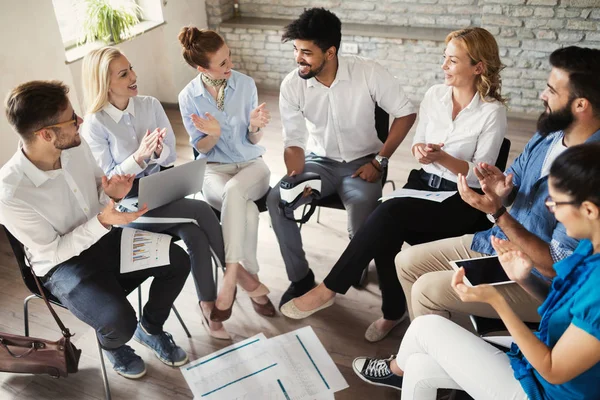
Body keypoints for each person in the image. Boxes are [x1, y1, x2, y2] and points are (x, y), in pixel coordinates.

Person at [280, 27, 508, 342]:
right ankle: (393, 312)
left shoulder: (492, 113)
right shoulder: (434, 95)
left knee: (387, 215)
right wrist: (422, 151)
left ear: (478, 67)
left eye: (452, 61)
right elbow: (418, 144)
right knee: (385, 226)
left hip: (462, 199)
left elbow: (477, 176)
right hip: (423, 185)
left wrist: (441, 157)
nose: (443, 66)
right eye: (445, 58)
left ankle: (330, 288)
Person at [352, 142, 600, 400]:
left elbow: (552, 371)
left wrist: (497, 302)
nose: (550, 208)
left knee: (424, 329)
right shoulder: (588, 249)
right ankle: (401, 370)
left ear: (589, 210)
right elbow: (562, 302)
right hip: (542, 356)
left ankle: (397, 369)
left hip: (546, 390)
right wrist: (523, 278)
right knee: (419, 365)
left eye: (556, 202)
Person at [396, 45, 600, 331]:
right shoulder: (549, 134)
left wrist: (499, 213)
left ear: (581, 105)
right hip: (501, 243)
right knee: (406, 262)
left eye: (552, 91)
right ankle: (429, 349)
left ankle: (431, 358)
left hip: (541, 282)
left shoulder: (592, 169)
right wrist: (503, 189)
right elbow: (513, 178)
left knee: (427, 289)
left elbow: (556, 267)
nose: (543, 96)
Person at [0, 80, 190, 379]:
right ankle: (114, 348)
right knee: (118, 323)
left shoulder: (75, 145)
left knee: (178, 261)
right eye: (71, 119)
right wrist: (103, 221)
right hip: (62, 266)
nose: (81, 122)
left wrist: (113, 195)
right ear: (46, 134)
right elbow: (53, 251)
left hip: (104, 237)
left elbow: (100, 195)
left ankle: (151, 328)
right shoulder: (10, 193)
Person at [267, 8, 417, 308]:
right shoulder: (292, 84)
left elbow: (406, 112)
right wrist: (295, 175)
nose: (298, 58)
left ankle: (355, 264)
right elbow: (294, 139)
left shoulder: (368, 72)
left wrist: (380, 162)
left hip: (364, 165)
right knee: (277, 200)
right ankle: (300, 279)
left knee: (362, 219)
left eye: (306, 52)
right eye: (296, 50)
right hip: (317, 164)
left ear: (330, 52)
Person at [80, 46, 230, 340]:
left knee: (196, 235)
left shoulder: (149, 105)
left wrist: (159, 153)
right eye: (124, 74)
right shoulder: (95, 124)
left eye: (131, 68)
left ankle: (208, 304)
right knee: (200, 211)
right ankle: (236, 273)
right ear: (104, 83)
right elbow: (108, 180)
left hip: (160, 189)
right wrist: (138, 157)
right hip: (128, 208)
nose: (134, 76)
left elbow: (171, 153)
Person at [177, 26, 276, 319]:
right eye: (222, 63)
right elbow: (203, 149)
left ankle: (230, 278)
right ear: (201, 68)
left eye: (229, 57)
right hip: (213, 171)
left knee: (236, 192)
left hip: (251, 166)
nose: (230, 65)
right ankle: (252, 281)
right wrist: (215, 134)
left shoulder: (245, 84)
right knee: (244, 211)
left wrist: (256, 126)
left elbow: (254, 141)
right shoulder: (188, 97)